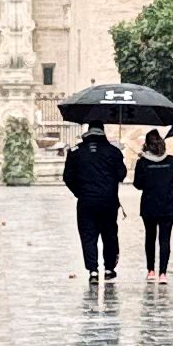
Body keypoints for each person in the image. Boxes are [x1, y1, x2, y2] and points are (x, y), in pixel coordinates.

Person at [62, 115, 125, 282]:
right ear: (102, 132)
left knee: (88, 234)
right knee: (109, 233)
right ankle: (109, 268)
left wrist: (79, 192)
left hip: (86, 201)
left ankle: (93, 270)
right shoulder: (113, 151)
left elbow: (68, 177)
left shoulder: (76, 151)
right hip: (108, 201)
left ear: (88, 132)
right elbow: (122, 174)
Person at [133, 128, 173, 279]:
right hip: (168, 205)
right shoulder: (171, 160)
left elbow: (138, 184)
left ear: (147, 145)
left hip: (149, 205)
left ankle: (150, 271)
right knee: (165, 239)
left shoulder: (142, 162)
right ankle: (163, 273)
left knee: (150, 237)